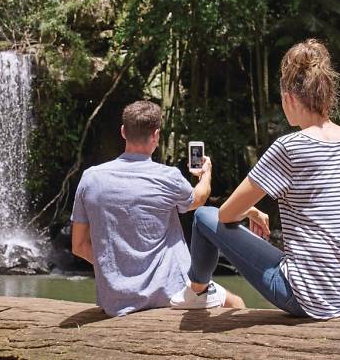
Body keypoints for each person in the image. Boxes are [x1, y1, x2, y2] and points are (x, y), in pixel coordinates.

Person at [170, 39, 340, 319]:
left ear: (288, 98)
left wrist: (245, 210)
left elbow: (225, 216)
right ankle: (200, 291)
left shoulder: (290, 147)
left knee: (204, 217)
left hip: (313, 300)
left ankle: (198, 291)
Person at [71, 100, 245, 317]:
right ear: (156, 135)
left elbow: (78, 246)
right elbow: (199, 198)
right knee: (236, 302)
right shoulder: (167, 177)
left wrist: (115, 267)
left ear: (123, 132)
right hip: (171, 294)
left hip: (115, 301)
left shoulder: (90, 178)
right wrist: (206, 173)